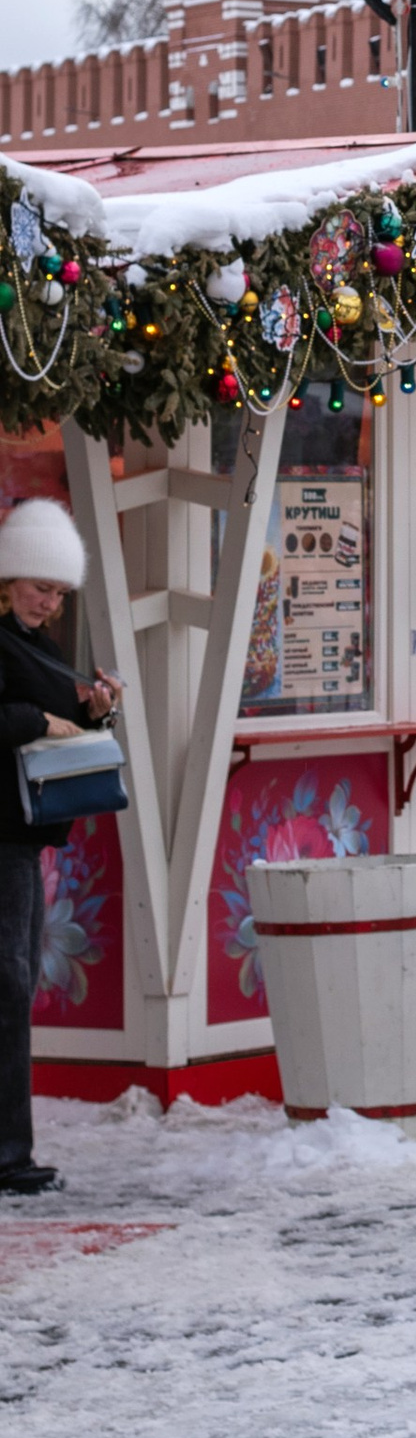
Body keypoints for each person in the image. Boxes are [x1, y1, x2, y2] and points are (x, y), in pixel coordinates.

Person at [0, 498, 121, 1200]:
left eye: (58, 592)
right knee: (9, 985)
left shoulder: (33, 642)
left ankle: (12, 1150)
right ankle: (8, 1155)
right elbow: (23, 714)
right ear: (8, 577)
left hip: (21, 835)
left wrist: (95, 710)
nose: (49, 602)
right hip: (4, 835)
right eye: (40, 586)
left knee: (14, 984)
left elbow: (59, 712)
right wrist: (39, 718)